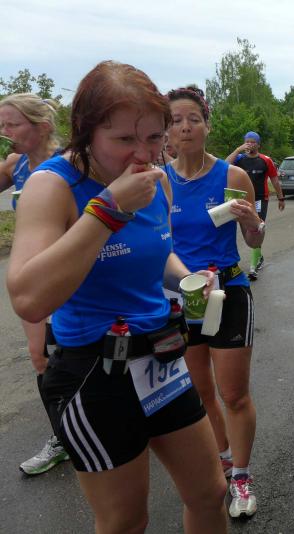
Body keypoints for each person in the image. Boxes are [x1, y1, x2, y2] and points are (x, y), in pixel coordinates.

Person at [6, 61, 227, 533]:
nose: (142, 154)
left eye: (154, 137)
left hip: (161, 358)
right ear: (86, 132)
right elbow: (28, 298)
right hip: (94, 370)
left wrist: (188, 279)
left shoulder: (157, 180)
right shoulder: (52, 185)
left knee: (210, 494)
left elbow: (158, 255)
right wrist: (108, 209)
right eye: (124, 139)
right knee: (125, 521)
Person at [166, 86, 262, 518]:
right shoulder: (159, 182)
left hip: (228, 292)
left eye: (194, 119)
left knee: (234, 394)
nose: (185, 127)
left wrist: (254, 223)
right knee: (200, 391)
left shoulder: (232, 177)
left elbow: (253, 240)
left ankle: (241, 476)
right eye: (176, 120)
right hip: (182, 296)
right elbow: (155, 246)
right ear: (166, 131)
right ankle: (223, 459)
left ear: (207, 125)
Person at [0, 93, 70, 475]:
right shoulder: (16, 164)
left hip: (73, 275)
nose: (4, 132)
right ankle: (62, 438)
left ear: (41, 127)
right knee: (40, 356)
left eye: (12, 124)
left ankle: (107, 423)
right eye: (1, 125)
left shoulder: (70, 163)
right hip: (33, 278)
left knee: (83, 353)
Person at [225, 131, 285, 281]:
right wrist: (237, 150)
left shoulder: (266, 160)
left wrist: (281, 198)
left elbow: (275, 180)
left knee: (257, 228)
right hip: (241, 199)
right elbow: (224, 166)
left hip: (260, 199)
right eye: (247, 142)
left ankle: (253, 266)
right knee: (246, 231)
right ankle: (258, 256)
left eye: (253, 142)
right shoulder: (239, 158)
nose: (250, 144)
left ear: (258, 145)